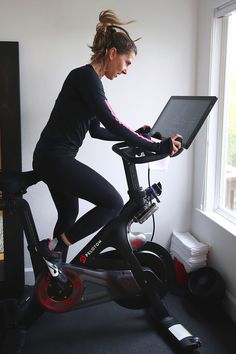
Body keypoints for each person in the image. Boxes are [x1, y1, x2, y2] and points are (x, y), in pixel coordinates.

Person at [33, 9, 182, 280]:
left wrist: (136, 134)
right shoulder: (85, 78)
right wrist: (156, 146)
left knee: (69, 214)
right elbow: (113, 123)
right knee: (112, 203)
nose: (126, 71)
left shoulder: (89, 82)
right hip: (55, 158)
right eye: (127, 63)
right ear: (112, 53)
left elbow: (97, 131)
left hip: (50, 158)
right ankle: (53, 249)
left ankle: (54, 279)